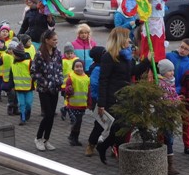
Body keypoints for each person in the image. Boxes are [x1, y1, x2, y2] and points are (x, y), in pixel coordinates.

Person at [96, 27, 151, 164]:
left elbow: (133, 71)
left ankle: (104, 147)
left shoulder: (127, 56)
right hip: (113, 98)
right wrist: (101, 103)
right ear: (120, 40)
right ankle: (113, 151)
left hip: (126, 97)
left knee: (122, 128)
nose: (129, 40)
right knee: (119, 128)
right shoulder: (109, 57)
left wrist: (147, 61)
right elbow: (103, 80)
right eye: (127, 38)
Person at [32, 29, 63, 152]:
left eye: (57, 40)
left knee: (51, 116)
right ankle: (38, 138)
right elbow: (34, 72)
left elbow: (60, 68)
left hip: (55, 89)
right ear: (47, 40)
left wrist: (60, 80)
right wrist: (45, 83)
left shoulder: (57, 53)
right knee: (48, 114)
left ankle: (46, 139)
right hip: (44, 90)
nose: (56, 42)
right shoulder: (39, 54)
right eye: (54, 40)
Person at [166, 39, 189, 154]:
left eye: (186, 49)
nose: (182, 50)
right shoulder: (169, 56)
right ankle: (164, 141)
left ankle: (187, 145)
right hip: (167, 93)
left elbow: (187, 83)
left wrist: (177, 91)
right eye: (181, 47)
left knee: (186, 120)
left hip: (181, 95)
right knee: (167, 119)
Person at [156, 58, 180, 175]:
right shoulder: (161, 84)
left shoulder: (170, 82)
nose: (172, 73)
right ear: (163, 71)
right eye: (169, 71)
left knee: (168, 137)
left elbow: (174, 95)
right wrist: (174, 102)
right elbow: (164, 99)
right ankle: (169, 165)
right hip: (164, 114)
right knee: (168, 137)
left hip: (171, 114)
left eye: (172, 70)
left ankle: (167, 162)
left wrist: (177, 99)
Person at [84, 46, 107, 157]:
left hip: (105, 98)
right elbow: (95, 85)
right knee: (100, 124)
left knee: (106, 124)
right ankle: (91, 144)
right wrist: (99, 100)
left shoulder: (104, 66)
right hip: (98, 100)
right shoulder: (96, 69)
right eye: (104, 53)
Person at [6, 38, 33, 125]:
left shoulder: (29, 62)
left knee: (28, 103)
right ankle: (22, 118)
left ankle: (27, 112)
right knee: (21, 104)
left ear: (18, 55)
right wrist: (10, 86)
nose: (12, 55)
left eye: (14, 54)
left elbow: (34, 73)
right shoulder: (13, 64)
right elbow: (11, 75)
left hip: (29, 87)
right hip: (18, 88)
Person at [62, 59, 89, 146]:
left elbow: (89, 91)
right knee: (76, 121)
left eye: (80, 66)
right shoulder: (71, 78)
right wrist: (69, 90)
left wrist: (89, 102)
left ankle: (75, 138)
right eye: (77, 67)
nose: (79, 68)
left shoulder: (86, 78)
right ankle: (72, 137)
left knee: (79, 122)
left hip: (82, 105)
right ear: (73, 68)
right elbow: (66, 90)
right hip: (72, 105)